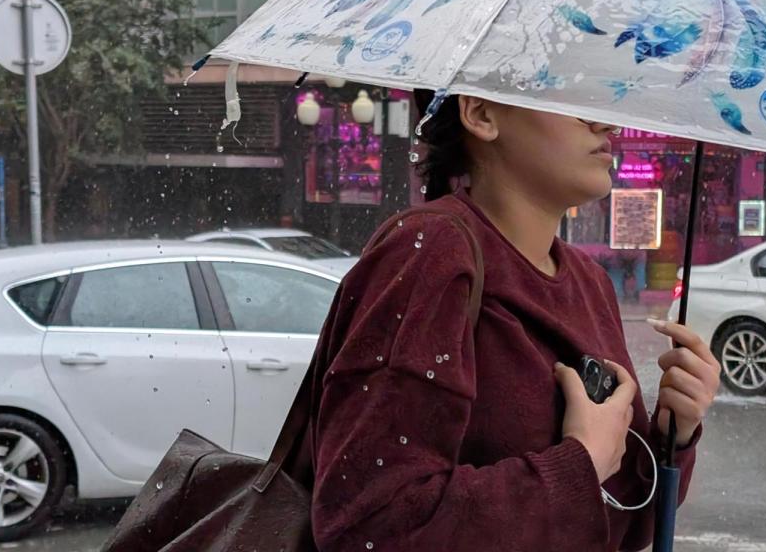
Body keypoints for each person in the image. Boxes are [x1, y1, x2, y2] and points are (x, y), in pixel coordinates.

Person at [308, 91, 721, 551]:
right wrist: (579, 464)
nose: (607, 124)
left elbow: (624, 525)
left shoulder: (591, 283)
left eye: (604, 102)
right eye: (572, 96)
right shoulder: (431, 252)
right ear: (482, 114)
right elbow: (369, 524)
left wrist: (673, 434)